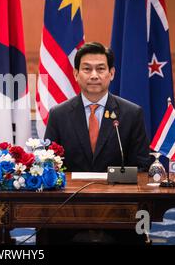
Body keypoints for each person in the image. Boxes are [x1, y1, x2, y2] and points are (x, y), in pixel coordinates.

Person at [40, 42, 150, 244]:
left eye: (101, 69)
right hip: (68, 208)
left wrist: (107, 179)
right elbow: (50, 165)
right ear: (75, 74)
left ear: (112, 73)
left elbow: (142, 166)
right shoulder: (59, 114)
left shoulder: (131, 113)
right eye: (86, 68)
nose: (94, 75)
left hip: (119, 207)